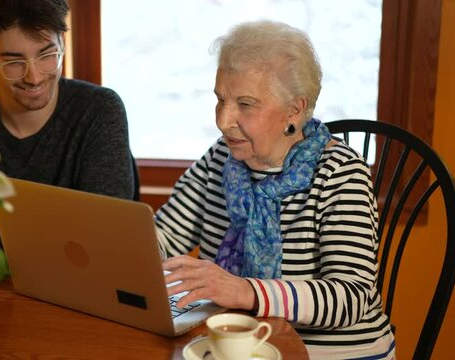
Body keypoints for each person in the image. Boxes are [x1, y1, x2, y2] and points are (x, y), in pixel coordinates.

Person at [157, 20, 395, 359]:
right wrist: (131, 251)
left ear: (294, 109)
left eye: (245, 104)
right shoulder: (220, 157)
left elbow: (350, 297)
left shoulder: (340, 173)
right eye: (220, 100)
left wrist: (245, 291)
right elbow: (165, 239)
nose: (224, 120)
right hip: (238, 348)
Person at [0, 0, 136, 248]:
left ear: (62, 42)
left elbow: (105, 235)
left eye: (47, 55)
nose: (34, 78)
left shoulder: (98, 111)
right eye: (14, 61)